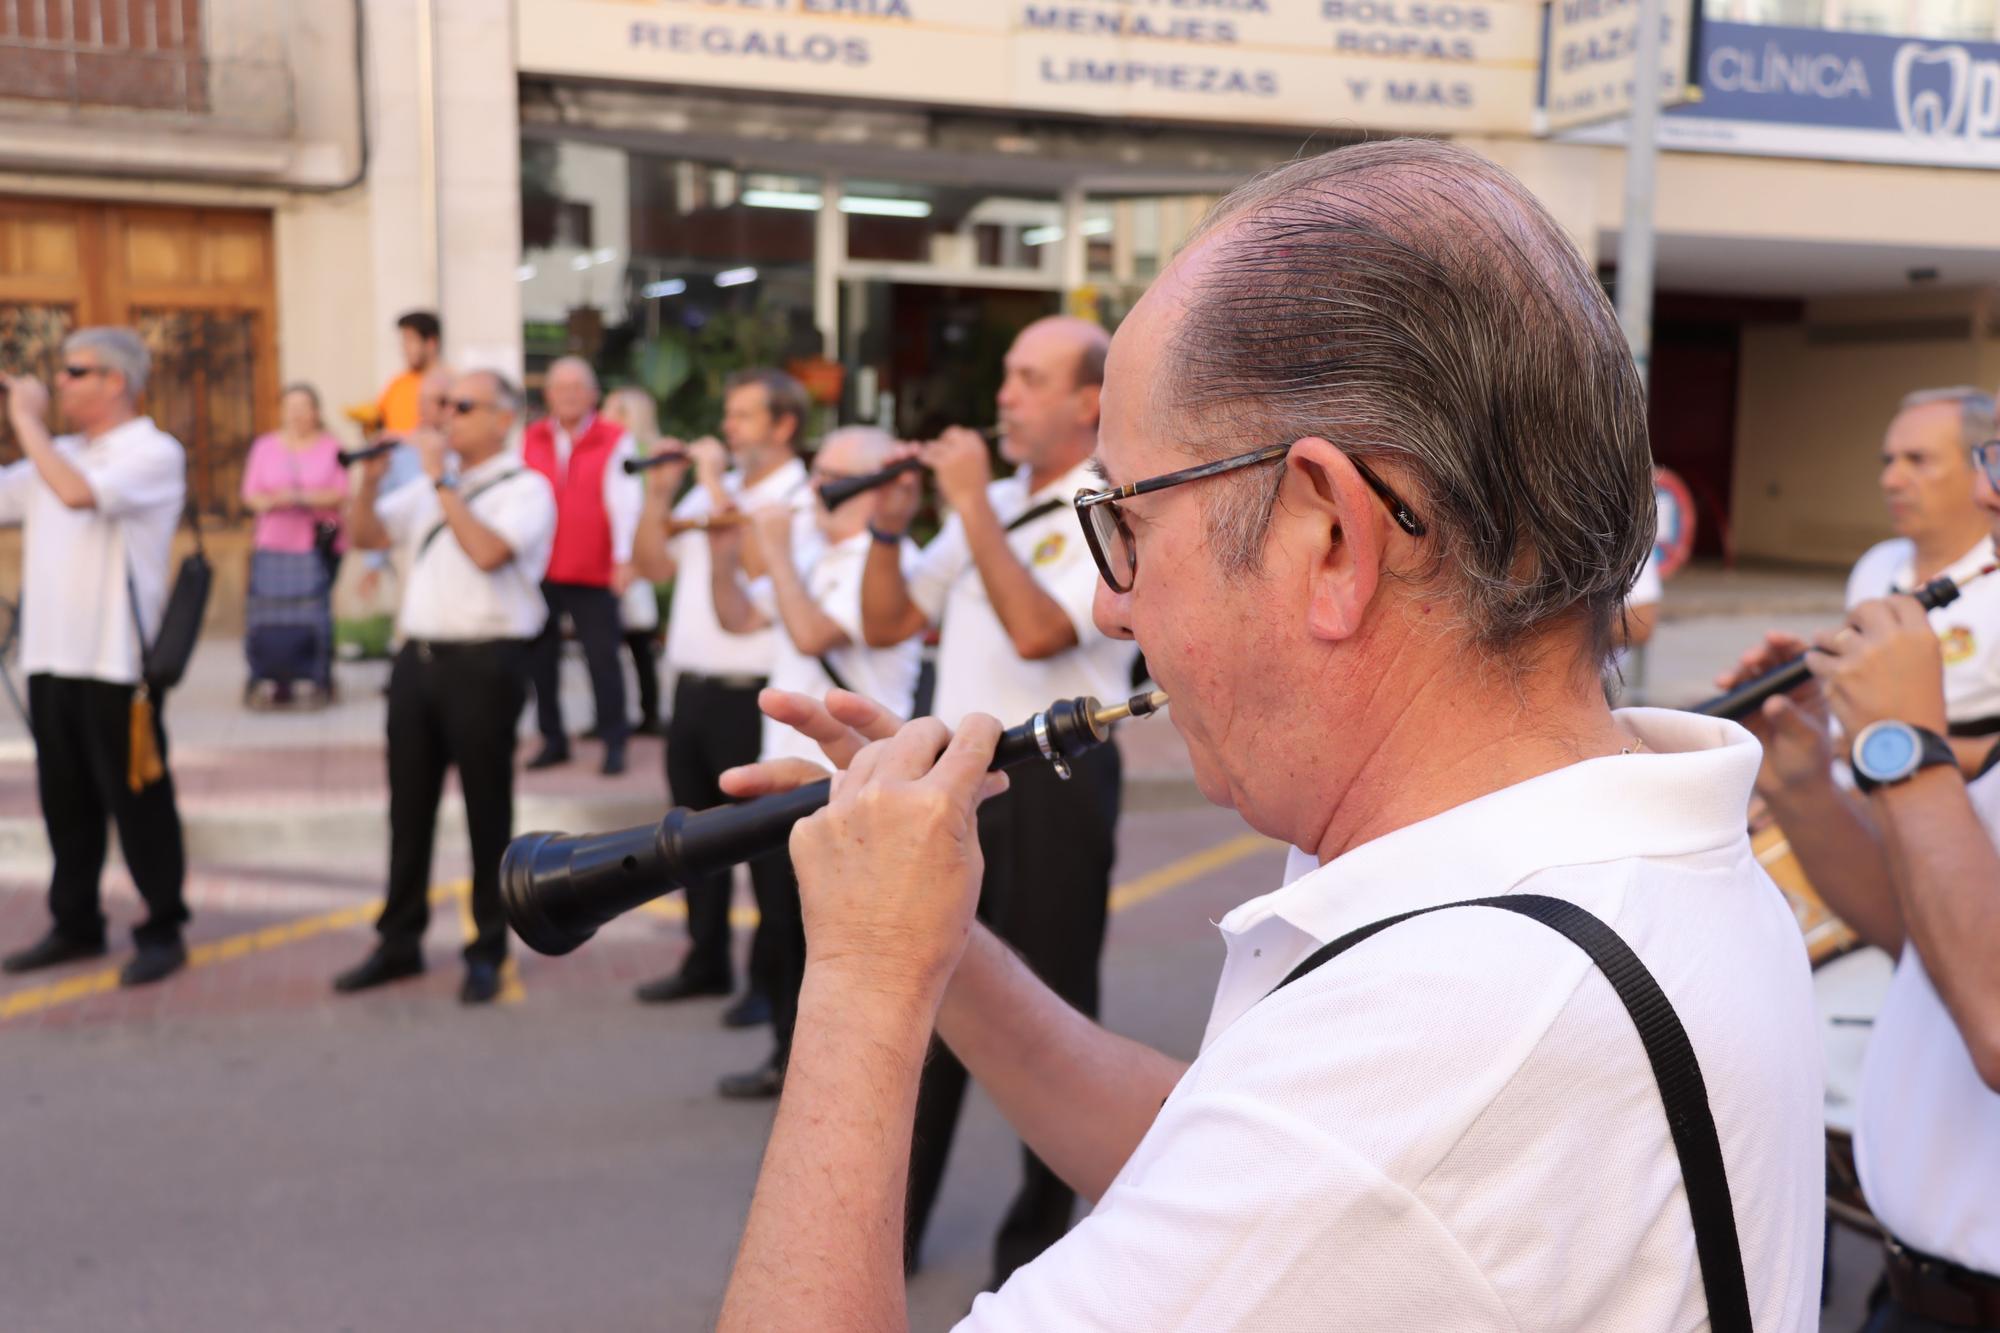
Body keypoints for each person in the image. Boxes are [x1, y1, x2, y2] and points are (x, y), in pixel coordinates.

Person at [712, 140, 1823, 1330]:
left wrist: (861, 977)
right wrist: (942, 948)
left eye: (1125, 519)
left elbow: (1346, 1164)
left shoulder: (1444, 1047)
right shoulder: (1632, 856)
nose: (1109, 603)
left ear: (1330, 536)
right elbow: (1217, 1150)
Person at [857, 314, 1136, 1281]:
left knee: (1052, 1011)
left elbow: (1037, 635)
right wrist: (892, 524)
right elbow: (891, 617)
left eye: (1026, 377)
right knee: (933, 1005)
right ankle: (891, 1236)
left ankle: (1040, 1251)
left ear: (1086, 402)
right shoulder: (1004, 503)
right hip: (965, 785)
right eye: (1008, 377)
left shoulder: (1099, 503)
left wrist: (969, 505)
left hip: (1057, 782)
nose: (1003, 395)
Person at [1718, 433, 2000, 1332]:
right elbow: (1926, 938)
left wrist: (1901, 748)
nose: (1990, 499)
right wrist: (1800, 776)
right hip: (1915, 1288)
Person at [704, 426, 922, 1099]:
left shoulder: (890, 561)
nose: (812, 489)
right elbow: (738, 618)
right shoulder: (812, 553)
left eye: (826, 475)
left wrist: (771, 547)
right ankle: (787, 1060)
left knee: (831, 945)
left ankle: (833, 1079)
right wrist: (721, 555)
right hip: (785, 774)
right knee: (780, 928)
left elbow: (812, 633)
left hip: (849, 781)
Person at [330, 369, 556, 1006]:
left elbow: (487, 552)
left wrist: (441, 479)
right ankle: (397, 940)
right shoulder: (435, 487)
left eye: (461, 407)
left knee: (488, 812)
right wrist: (368, 486)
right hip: (417, 663)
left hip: (485, 665)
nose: (445, 419)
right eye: (443, 407)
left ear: (502, 419)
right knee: (408, 810)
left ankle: (487, 947)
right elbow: (366, 537)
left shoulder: (525, 488)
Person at [0, 329, 191, 987]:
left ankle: (163, 925)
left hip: (117, 663)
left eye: (76, 371)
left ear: (117, 381)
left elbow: (80, 494)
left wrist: (26, 421)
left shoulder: (152, 451)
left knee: (138, 801)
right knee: (66, 801)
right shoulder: (60, 453)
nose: (60, 384)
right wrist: (32, 432)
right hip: (51, 656)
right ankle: (75, 921)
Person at [628, 368, 812, 1014]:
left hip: (753, 693)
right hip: (695, 688)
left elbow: (761, 569)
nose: (728, 428)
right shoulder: (721, 488)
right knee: (694, 837)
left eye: (743, 416)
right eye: (728, 416)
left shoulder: (797, 493)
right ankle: (704, 958)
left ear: (783, 426)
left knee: (764, 850)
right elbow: (651, 565)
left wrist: (708, 484)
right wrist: (659, 495)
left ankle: (769, 985)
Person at [1846, 387, 2000, 771]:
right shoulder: (1876, 563)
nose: (1891, 480)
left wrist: (1872, 748)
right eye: (1888, 461)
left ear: (1982, 467)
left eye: (1918, 460)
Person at [522, 357, 642, 776]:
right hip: (540, 566)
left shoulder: (614, 438)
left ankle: (614, 740)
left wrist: (623, 557)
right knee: (541, 658)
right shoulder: (531, 437)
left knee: (602, 657)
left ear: (593, 395)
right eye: (561, 387)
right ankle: (552, 738)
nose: (569, 394)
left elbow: (626, 502)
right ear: (548, 394)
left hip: (592, 564)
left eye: (578, 386)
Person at [241, 383, 347, 706]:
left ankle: (316, 673)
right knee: (271, 611)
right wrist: (273, 502)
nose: (298, 415)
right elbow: (251, 494)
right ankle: (273, 674)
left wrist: (299, 498)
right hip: (273, 543)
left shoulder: (332, 448)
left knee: (316, 610)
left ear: (316, 412)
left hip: (318, 544)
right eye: (292, 407)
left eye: (304, 407)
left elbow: (341, 494)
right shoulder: (265, 447)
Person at [600, 385, 665, 738]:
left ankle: (643, 713)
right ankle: (643, 711)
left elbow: (631, 510)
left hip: (629, 558)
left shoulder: (630, 453)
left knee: (635, 640)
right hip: (626, 556)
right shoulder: (638, 449)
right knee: (635, 641)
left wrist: (627, 559)